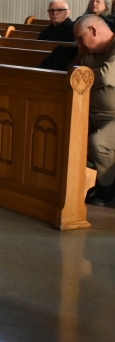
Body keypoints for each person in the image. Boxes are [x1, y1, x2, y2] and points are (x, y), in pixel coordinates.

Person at [74, 15, 115, 206]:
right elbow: (75, 73)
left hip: (112, 117)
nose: (79, 43)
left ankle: (108, 187)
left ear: (93, 30)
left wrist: (88, 73)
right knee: (67, 135)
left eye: (81, 38)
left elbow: (106, 77)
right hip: (89, 114)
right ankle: (74, 185)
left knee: (98, 143)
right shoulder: (91, 51)